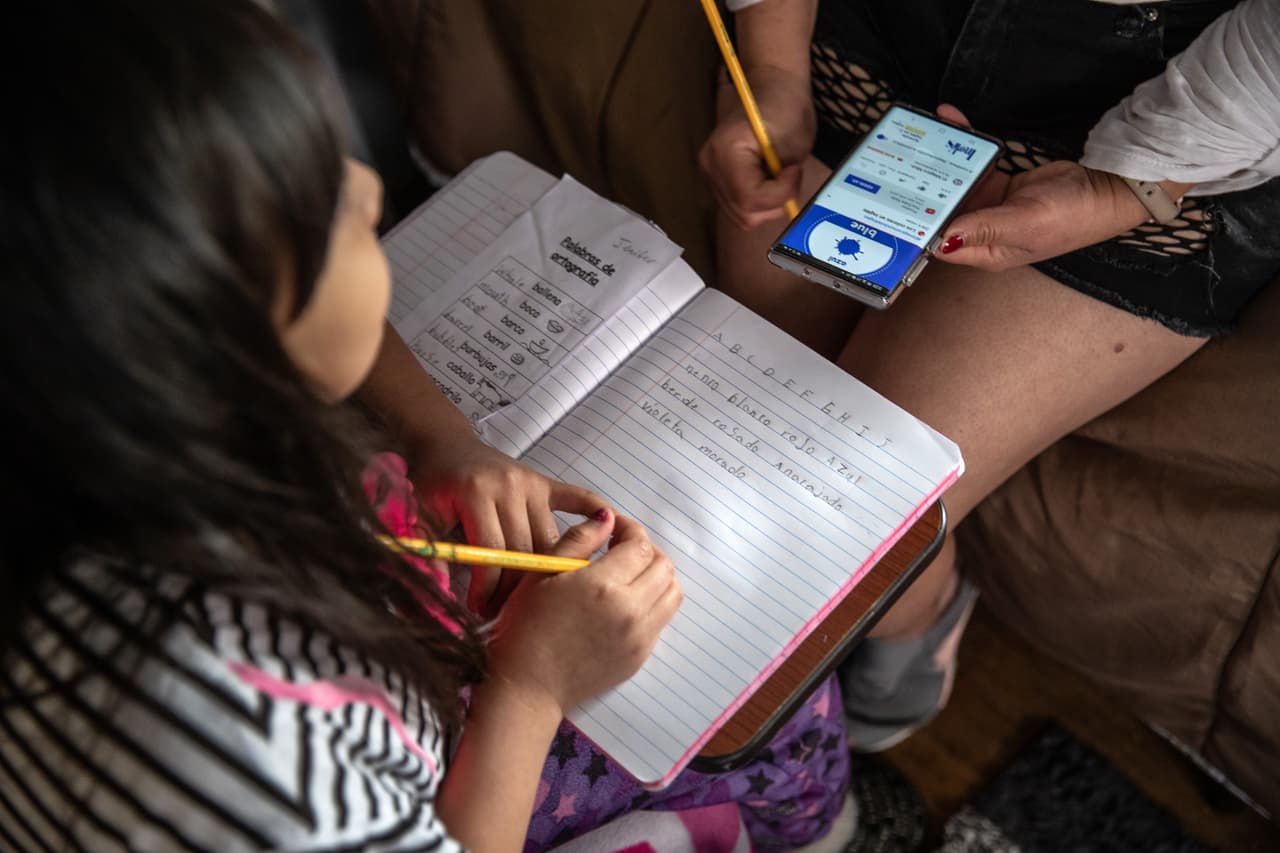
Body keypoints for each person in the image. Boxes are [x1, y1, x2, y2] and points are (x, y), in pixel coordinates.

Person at [0, 2, 856, 851]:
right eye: (329, 210)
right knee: (769, 696)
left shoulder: (94, 434)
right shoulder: (245, 752)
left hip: (410, 670)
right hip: (461, 775)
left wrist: (443, 437)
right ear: (219, 345)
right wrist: (530, 688)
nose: (371, 189)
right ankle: (830, 835)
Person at [699, 0, 1280, 749]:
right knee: (750, 427)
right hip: (861, 46)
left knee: (844, 507)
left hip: (1180, 115)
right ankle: (918, 601)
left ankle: (913, 618)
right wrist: (771, 68)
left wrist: (1116, 190)